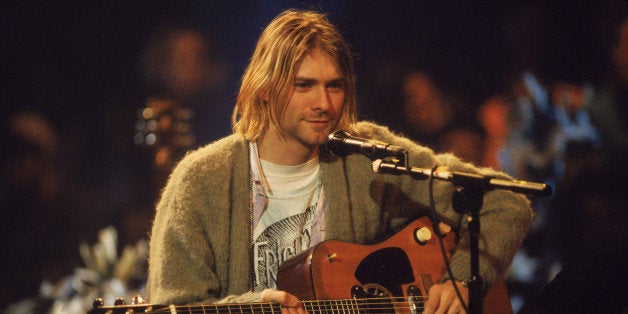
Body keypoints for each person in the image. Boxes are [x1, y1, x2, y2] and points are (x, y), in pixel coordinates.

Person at [146, 9, 534, 313]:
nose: (325, 104)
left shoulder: (365, 154)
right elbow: (174, 304)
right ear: (263, 89)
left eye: (335, 86)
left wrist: (462, 282)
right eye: (304, 85)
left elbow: (506, 202)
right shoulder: (200, 181)